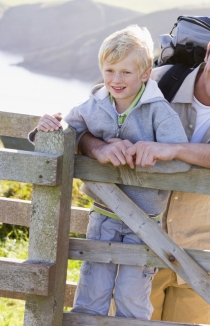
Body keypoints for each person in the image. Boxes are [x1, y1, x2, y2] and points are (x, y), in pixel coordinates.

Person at [39, 17, 210, 324]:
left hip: (200, 252)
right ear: (208, 51)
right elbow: (99, 108)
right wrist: (98, 148)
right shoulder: (161, 80)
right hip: (137, 241)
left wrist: (173, 149)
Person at [32, 25, 191, 319]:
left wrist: (145, 152)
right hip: (103, 215)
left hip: (144, 224)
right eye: (109, 70)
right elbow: (71, 129)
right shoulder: (94, 104)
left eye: (126, 72)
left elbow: (181, 160)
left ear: (145, 74)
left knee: (132, 298)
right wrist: (49, 125)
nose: (116, 80)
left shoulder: (159, 111)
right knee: (92, 291)